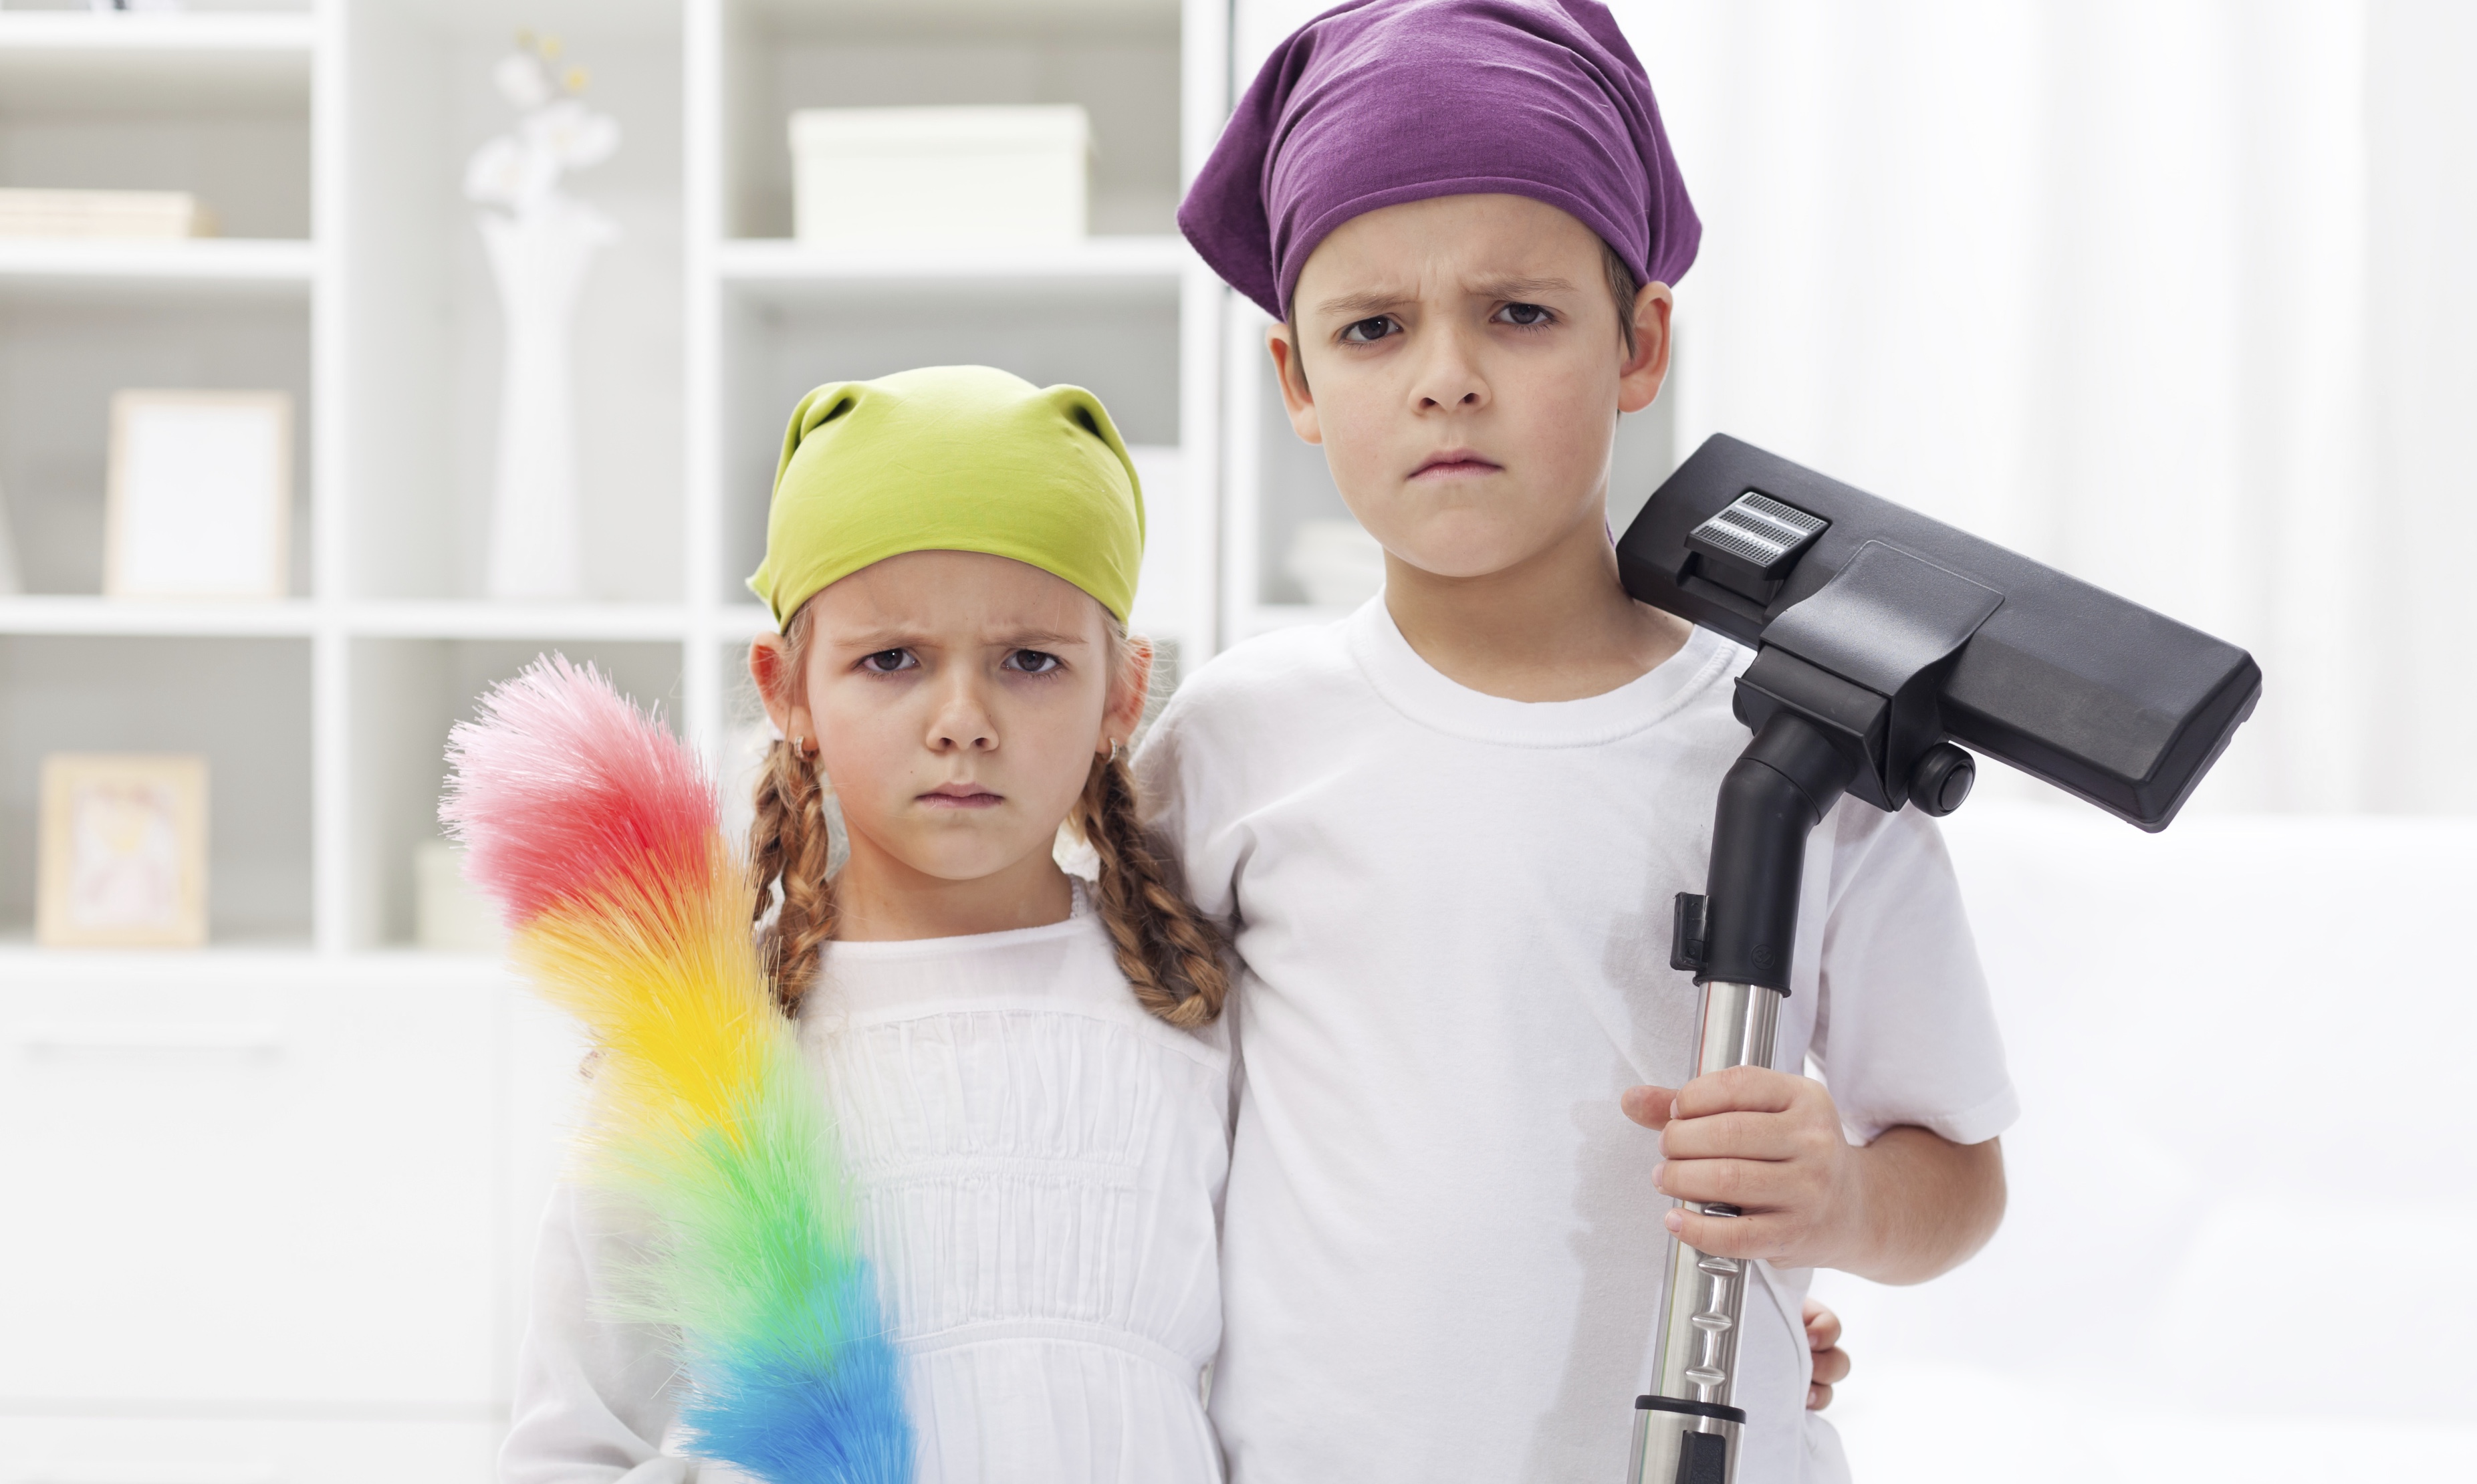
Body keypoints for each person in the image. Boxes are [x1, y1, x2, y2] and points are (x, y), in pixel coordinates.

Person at [1151, 1, 2014, 1479]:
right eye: (1371, 328)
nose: (1446, 378)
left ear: (1640, 342)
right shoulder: (1237, 738)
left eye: (1520, 313)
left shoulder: (1809, 747)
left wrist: (1847, 1209)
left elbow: (1960, 1176)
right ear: (1296, 380)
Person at [498, 365, 1236, 1483]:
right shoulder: (710, 1059)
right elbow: (570, 1439)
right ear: (787, 689)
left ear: (1122, 695)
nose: (961, 722)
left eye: (1030, 661)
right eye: (890, 660)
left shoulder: (1195, 1016)